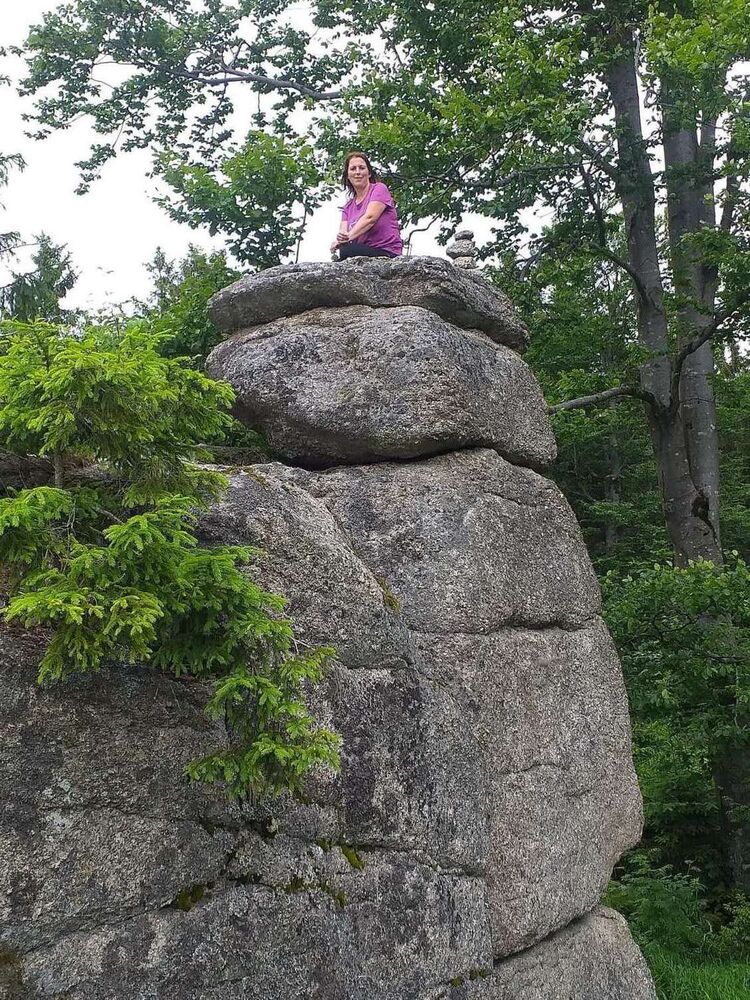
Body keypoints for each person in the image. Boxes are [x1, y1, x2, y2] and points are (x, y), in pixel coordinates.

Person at [330, 152, 403, 259]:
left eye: (362, 168)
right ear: (348, 176)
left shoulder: (379, 189)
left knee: (347, 251)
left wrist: (347, 238)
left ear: (369, 173)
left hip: (386, 251)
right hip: (362, 251)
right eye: (353, 169)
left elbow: (370, 218)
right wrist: (338, 241)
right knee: (344, 251)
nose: (357, 172)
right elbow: (343, 233)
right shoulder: (347, 208)